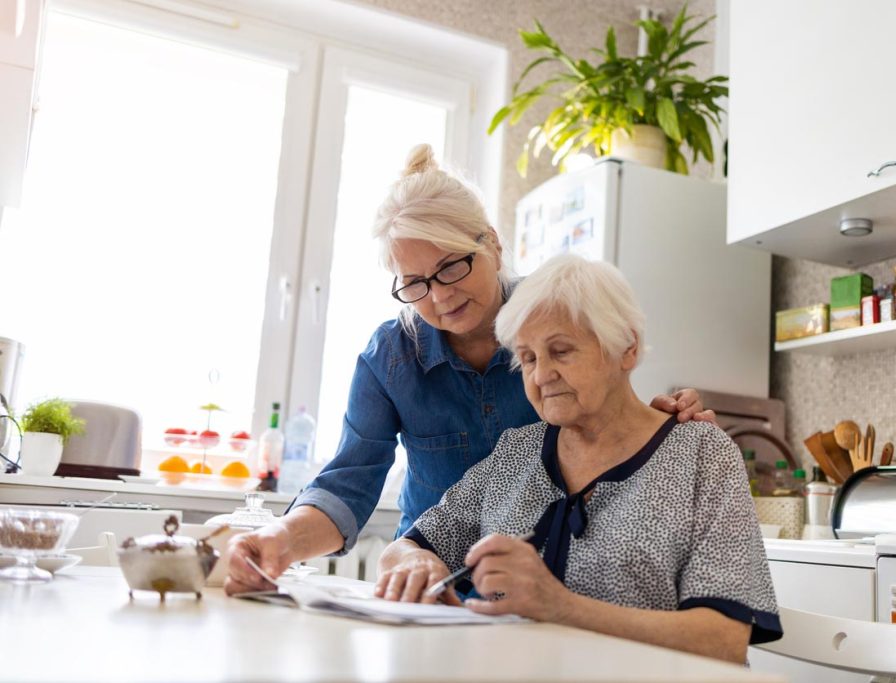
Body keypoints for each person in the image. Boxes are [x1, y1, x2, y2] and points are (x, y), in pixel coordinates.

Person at [224, 145, 712, 595]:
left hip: (547, 593)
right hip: (432, 585)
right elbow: (347, 484)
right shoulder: (391, 357)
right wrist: (279, 540)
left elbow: (609, 425)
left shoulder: (552, 319)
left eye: (452, 266)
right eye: (414, 283)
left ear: (493, 246)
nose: (439, 296)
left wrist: (660, 426)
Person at [374, 254, 781, 663]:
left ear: (627, 348)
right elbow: (408, 545)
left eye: (561, 351)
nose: (540, 375)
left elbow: (724, 638)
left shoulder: (702, 453)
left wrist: (560, 606)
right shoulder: (517, 451)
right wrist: (414, 565)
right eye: (529, 357)